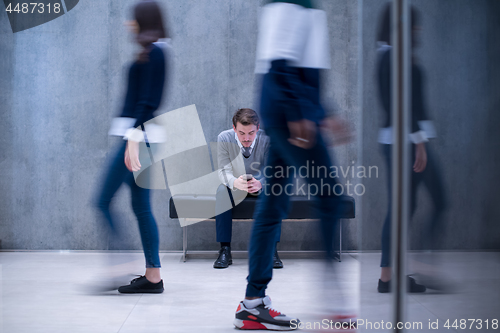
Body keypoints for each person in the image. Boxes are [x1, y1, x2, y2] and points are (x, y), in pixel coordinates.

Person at [233, 0, 351, 330]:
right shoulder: (292, 1)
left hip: (285, 109)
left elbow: (299, 64)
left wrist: (322, 112)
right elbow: (280, 62)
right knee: (330, 198)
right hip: (288, 113)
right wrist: (301, 113)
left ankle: (252, 303)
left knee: (272, 206)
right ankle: (336, 305)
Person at [95, 0, 168, 294]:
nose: (129, 24)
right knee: (141, 207)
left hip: (140, 139)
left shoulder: (158, 52)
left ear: (144, 21)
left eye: (133, 19)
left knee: (102, 200)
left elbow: (148, 103)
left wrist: (133, 141)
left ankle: (120, 267)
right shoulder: (152, 51)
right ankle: (153, 277)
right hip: (141, 137)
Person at [376, 4, 448, 293]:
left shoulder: (393, 53)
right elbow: (398, 102)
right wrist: (418, 140)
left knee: (408, 205)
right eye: (412, 24)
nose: (418, 30)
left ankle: (392, 275)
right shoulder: (391, 55)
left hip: (406, 139)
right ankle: (411, 271)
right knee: (422, 203)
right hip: (403, 142)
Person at [214, 108, 284, 269]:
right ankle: (225, 249)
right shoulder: (224, 138)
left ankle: (271, 249)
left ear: (258, 129)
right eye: (241, 133)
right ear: (234, 128)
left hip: (259, 185)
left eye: (251, 133)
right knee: (221, 190)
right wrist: (234, 183)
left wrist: (261, 182)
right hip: (235, 185)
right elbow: (223, 171)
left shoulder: (267, 139)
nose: (246, 138)